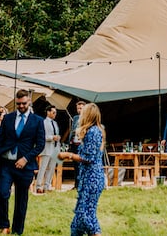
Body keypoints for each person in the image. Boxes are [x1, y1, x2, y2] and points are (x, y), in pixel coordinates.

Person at [0, 89, 45, 235]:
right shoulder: (8, 118)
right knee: (2, 194)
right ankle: (4, 226)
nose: (20, 106)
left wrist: (26, 159)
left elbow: (40, 145)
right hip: (6, 163)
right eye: (18, 103)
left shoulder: (38, 121)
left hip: (25, 166)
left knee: (21, 198)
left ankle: (17, 230)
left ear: (29, 102)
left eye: (23, 103)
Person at [58, 102, 105, 236]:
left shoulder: (93, 132)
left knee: (86, 214)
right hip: (87, 177)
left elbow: (88, 157)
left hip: (92, 178)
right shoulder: (93, 131)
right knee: (78, 220)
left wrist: (68, 155)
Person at [37, 104, 62, 194]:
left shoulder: (55, 123)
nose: (55, 114)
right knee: (43, 168)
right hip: (47, 148)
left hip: (55, 148)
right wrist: (52, 137)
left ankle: (47, 186)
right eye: (53, 112)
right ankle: (39, 186)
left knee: (51, 168)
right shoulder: (43, 122)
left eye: (55, 113)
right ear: (48, 112)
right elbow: (42, 136)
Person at [68, 100, 86, 190]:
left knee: (81, 165)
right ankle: (76, 184)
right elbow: (72, 130)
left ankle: (82, 185)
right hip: (74, 143)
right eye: (78, 108)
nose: (79, 110)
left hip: (82, 144)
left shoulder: (87, 118)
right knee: (75, 165)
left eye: (81, 108)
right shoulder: (75, 118)